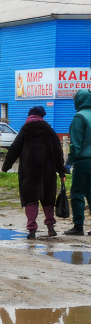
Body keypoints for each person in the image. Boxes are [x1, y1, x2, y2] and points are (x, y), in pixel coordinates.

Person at [1, 105, 65, 239]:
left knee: (30, 199)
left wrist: (6, 167)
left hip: (29, 171)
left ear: (30, 115)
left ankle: (32, 230)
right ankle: (50, 228)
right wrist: (61, 171)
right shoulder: (49, 130)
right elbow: (57, 152)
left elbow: (14, 149)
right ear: (42, 116)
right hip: (48, 170)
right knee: (48, 199)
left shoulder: (25, 129)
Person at [65, 89, 91, 235]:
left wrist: (69, 162)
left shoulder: (79, 117)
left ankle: (78, 226)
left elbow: (75, 144)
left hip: (84, 162)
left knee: (77, 193)